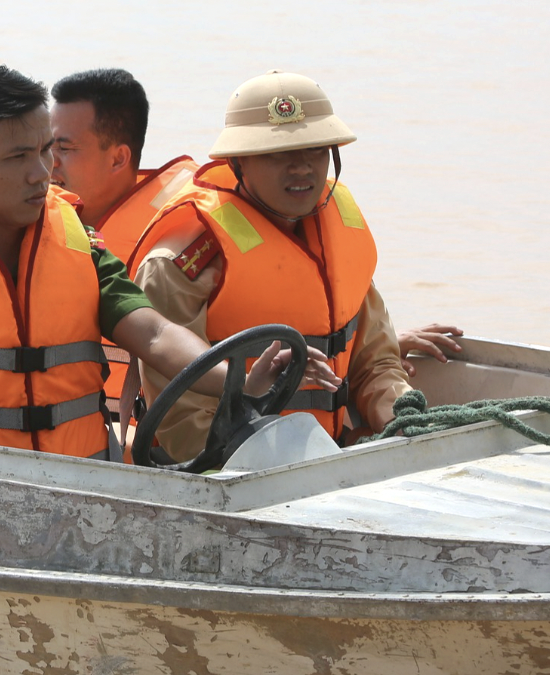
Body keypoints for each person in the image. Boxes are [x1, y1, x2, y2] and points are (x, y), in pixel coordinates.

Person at [0, 65, 336, 458]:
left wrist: (238, 377)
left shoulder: (78, 240)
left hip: (77, 490)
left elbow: (152, 334)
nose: (42, 173)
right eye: (18, 157)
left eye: (46, 151)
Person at [129, 70, 441, 457]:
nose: (302, 168)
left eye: (316, 150)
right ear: (239, 162)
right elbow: (183, 423)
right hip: (227, 469)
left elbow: (375, 365)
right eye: (278, 154)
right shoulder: (181, 264)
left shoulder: (339, 234)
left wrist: (403, 419)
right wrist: (292, 461)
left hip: (328, 455)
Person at [48, 68, 197, 405]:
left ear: (118, 158)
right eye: (45, 148)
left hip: (143, 443)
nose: (47, 165)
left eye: (64, 149)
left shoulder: (179, 240)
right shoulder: (30, 226)